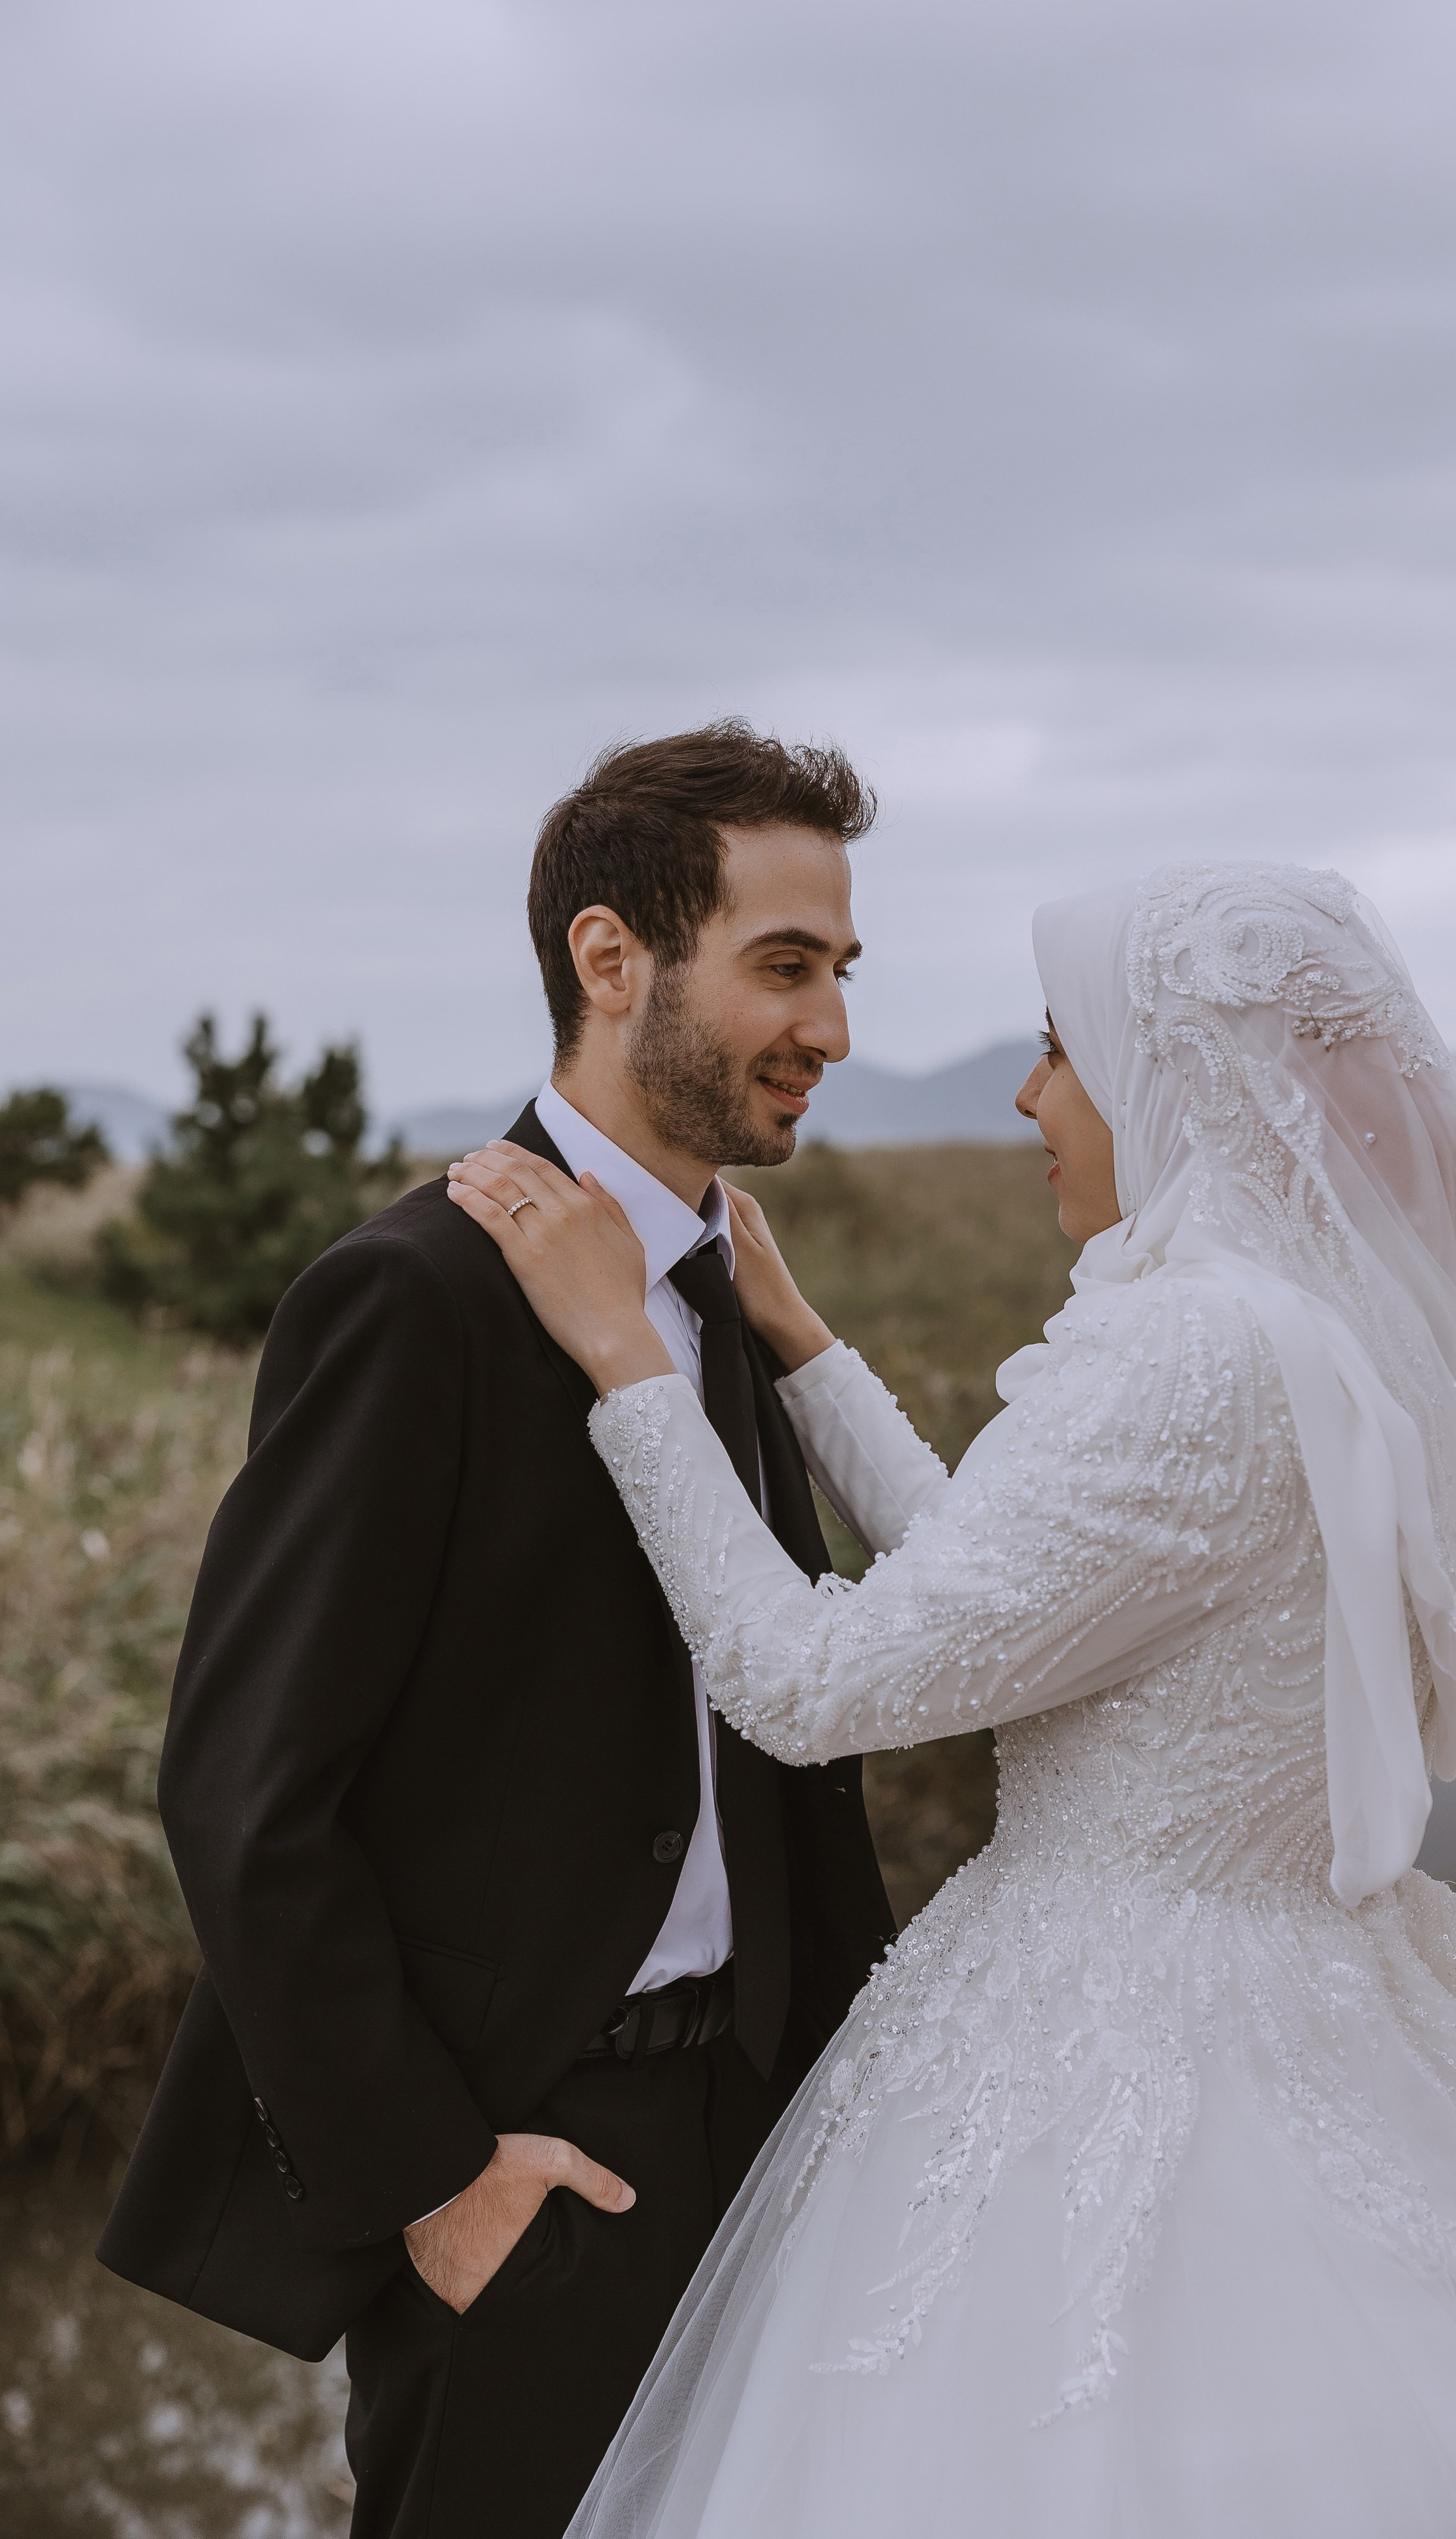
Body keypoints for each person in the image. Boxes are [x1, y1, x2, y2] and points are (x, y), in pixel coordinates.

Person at [446, 861, 1456, 2537]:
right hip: (1336, 1989)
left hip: (1127, 2035)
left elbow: (810, 1684)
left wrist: (628, 1362)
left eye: (1057, 1048)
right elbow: (1029, 1601)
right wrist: (803, 1349)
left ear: (1166, 1078)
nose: (1029, 1097)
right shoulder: (1321, 1332)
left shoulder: (1181, 1356)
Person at [97, 723, 897, 2539]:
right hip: (535, 2165)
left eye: (843, 972)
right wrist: (434, 2184)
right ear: (611, 958)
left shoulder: (720, 1288)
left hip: (766, 2142)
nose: (833, 1030)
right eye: (785, 966)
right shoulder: (412, 1298)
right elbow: (243, 1790)